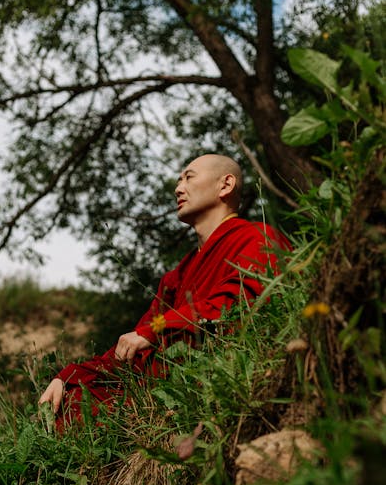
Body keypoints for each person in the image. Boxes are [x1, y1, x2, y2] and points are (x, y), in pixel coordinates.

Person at [38, 153, 291, 425]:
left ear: (226, 185)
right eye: (179, 180)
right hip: (165, 384)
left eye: (188, 177)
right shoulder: (178, 274)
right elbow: (133, 343)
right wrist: (68, 376)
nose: (178, 188)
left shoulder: (258, 237)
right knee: (73, 400)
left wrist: (158, 329)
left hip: (224, 378)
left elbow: (241, 304)